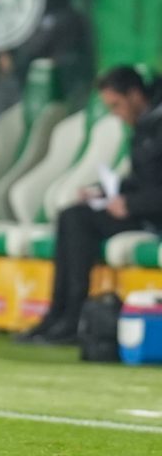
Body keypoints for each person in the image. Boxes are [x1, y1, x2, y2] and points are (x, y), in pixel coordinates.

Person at [18, 67, 162, 345]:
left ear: (134, 95)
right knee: (71, 215)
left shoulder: (155, 126)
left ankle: (73, 318)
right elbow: (142, 179)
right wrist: (103, 192)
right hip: (142, 210)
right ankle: (56, 314)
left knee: (78, 221)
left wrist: (132, 204)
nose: (115, 114)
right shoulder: (145, 125)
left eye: (116, 105)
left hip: (153, 216)